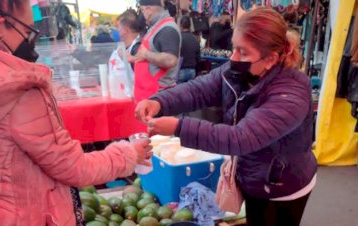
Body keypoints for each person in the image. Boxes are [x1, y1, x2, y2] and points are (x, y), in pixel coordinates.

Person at [135, 7, 317, 226]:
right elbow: (198, 89)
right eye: (234, 48)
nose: (233, 58)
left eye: (243, 52)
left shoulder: (290, 94)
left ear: (271, 58)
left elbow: (240, 138)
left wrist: (178, 127)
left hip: (282, 185)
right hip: (253, 174)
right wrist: (160, 102)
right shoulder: (238, 71)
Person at [0, 1, 152, 225]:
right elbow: (74, 168)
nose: (32, 39)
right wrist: (129, 154)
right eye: (28, 30)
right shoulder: (20, 90)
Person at [131, 0, 181, 103]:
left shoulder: (167, 28)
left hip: (159, 96)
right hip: (149, 95)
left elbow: (170, 60)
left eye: (141, 10)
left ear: (148, 9)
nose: (142, 14)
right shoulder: (156, 27)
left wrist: (146, 54)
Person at [178, 15, 200, 83]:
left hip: (180, 70)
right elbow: (198, 57)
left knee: (180, 92)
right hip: (192, 70)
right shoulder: (195, 38)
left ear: (180, 25)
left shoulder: (178, 38)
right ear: (190, 26)